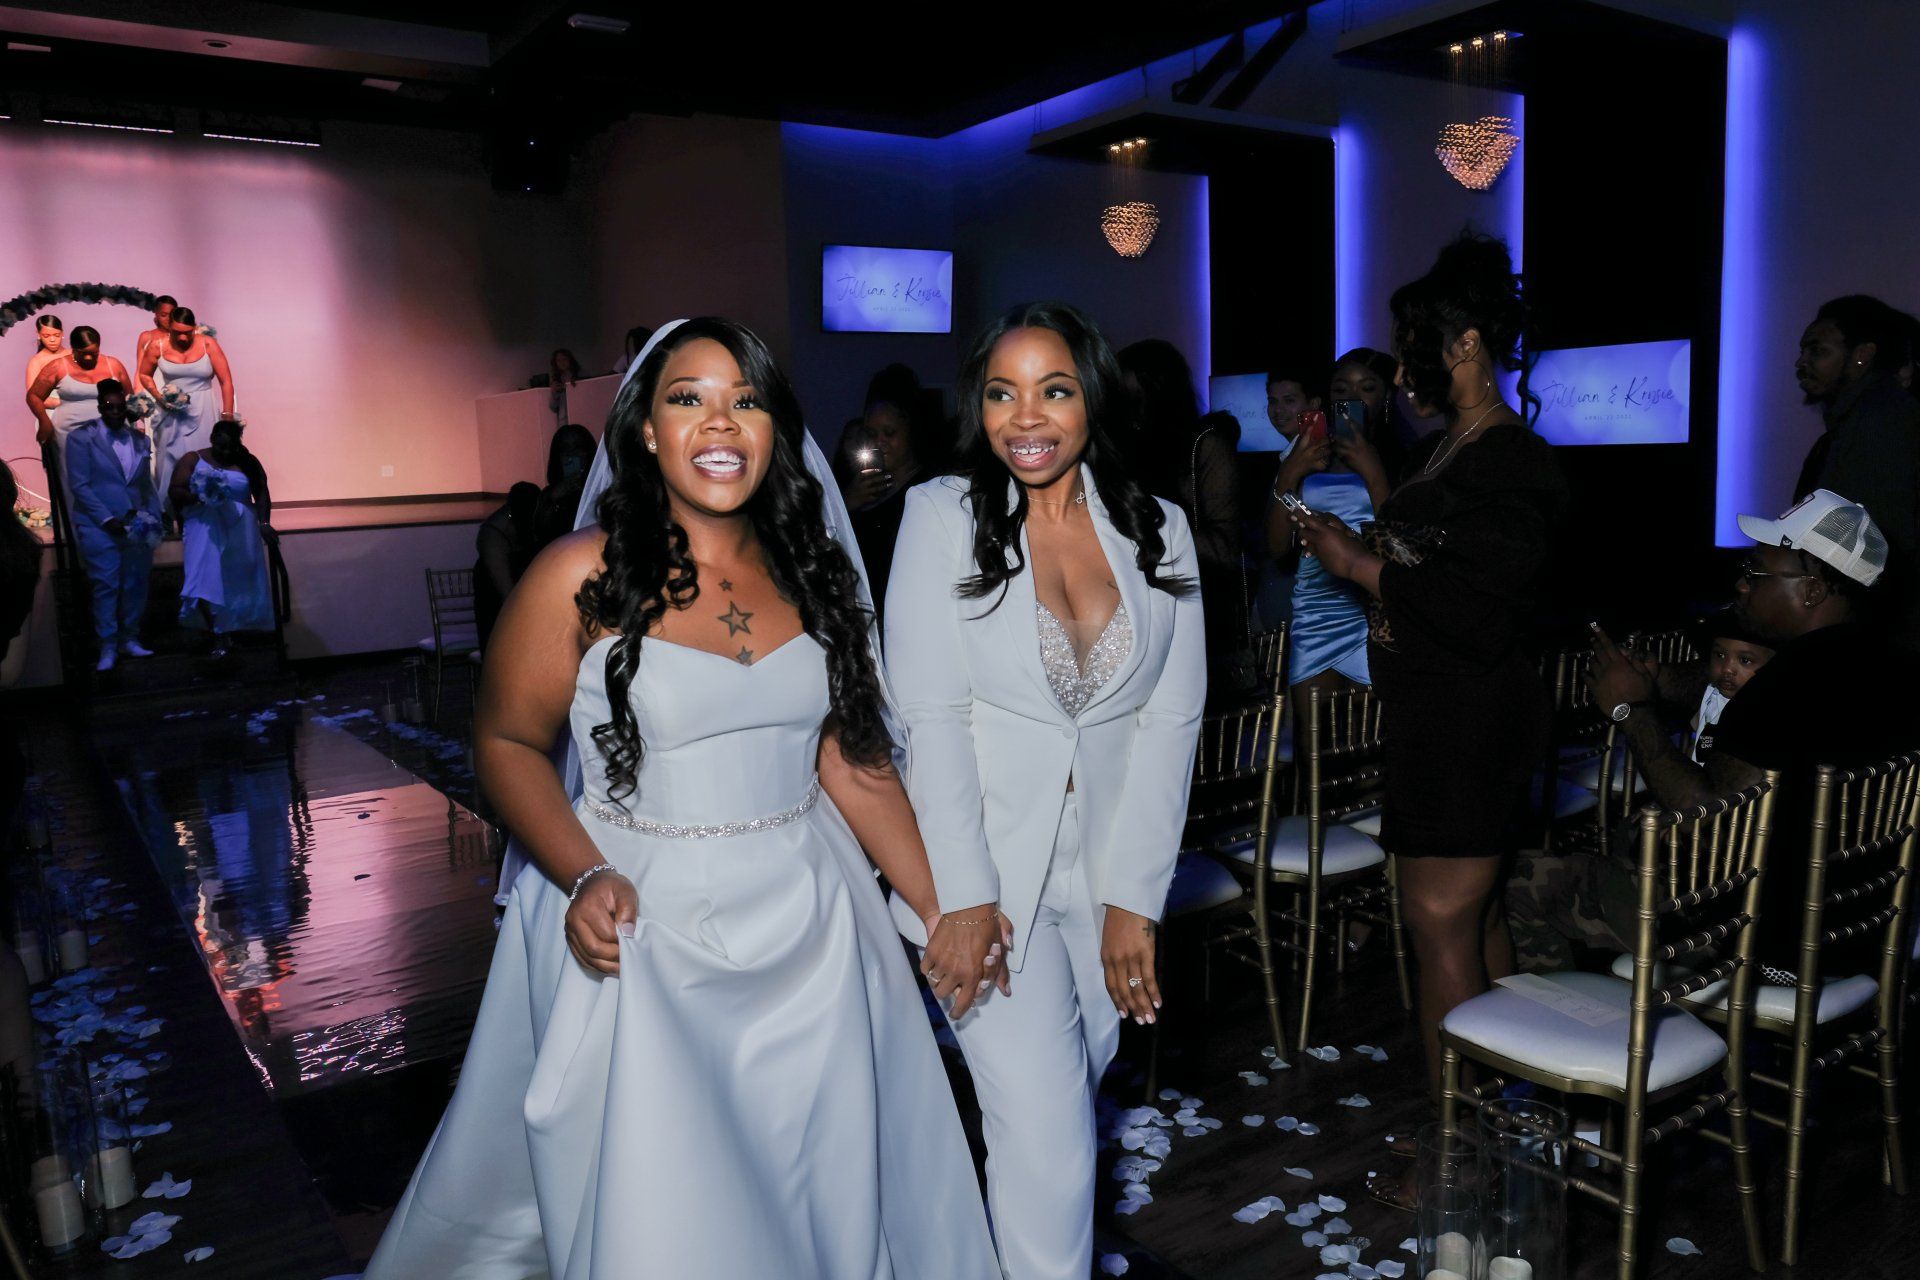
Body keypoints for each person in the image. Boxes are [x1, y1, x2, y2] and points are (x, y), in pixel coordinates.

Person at [365, 318, 996, 1279]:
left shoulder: (814, 573)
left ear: (776, 429)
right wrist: (583, 876)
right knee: (675, 1208)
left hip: (812, 924)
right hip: (643, 924)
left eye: (745, 400)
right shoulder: (576, 575)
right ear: (648, 432)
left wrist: (938, 905)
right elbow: (504, 745)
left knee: (815, 1181)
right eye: (687, 398)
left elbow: (848, 760)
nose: (720, 422)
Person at [885, 301, 1206, 1280]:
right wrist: (966, 899)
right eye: (1001, 391)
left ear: (1092, 397)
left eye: (1053, 388)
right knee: (1052, 1138)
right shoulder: (941, 515)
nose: (1026, 415)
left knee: (1059, 1118)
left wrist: (1131, 903)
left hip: (1105, 887)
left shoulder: (1163, 529)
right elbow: (927, 719)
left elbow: (1170, 724)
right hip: (985, 886)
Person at [1290, 235, 1567, 1206]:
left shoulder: (1514, 459)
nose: (1401, 373)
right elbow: (1437, 564)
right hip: (1441, 715)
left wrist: (1359, 568)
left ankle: (1460, 1155)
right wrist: (1363, 537)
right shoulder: (1459, 447)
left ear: (1469, 344)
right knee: (1475, 920)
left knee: (1440, 925)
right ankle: (1503, 1125)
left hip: (1468, 721)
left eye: (1414, 351)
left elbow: (1479, 602)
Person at [1586, 489, 1915, 980]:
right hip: (1859, 933)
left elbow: (1708, 825)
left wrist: (1629, 709)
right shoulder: (1891, 669)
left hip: (1760, 943)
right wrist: (1654, 683)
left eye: (1756, 573)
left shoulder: (1781, 689)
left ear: (1811, 591)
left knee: (1530, 883)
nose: (1741, 586)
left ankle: (1605, 1045)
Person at [1505, 610, 1775, 973]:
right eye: (1718, 655)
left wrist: (1629, 709)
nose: (1727, 669)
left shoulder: (1763, 717)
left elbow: (1707, 812)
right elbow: (1697, 682)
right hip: (1698, 879)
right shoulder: (1730, 693)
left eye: (1744, 661)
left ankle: (1557, 1013)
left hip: (1708, 912)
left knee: (1518, 882)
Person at [1266, 348, 1403, 709]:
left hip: (1373, 610)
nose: (1352, 400)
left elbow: (1402, 545)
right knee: (1312, 750)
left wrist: (1373, 471)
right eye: (1341, 391)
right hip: (1315, 609)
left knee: (1368, 748)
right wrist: (1290, 473)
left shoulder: (1406, 458)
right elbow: (1277, 548)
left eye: (1367, 389)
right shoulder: (1310, 455)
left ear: (1386, 397)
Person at [1791, 294, 1920, 649]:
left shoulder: (1880, 420)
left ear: (1863, 354)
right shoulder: (1862, 419)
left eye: (1817, 351)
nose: (1801, 362)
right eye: (1804, 350)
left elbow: (1877, 542)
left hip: (1873, 632)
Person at [1119, 339, 1247, 690]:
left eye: (1137, 398)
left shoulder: (1203, 444)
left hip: (1193, 609)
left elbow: (1224, 549)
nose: (1130, 412)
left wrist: (1148, 532)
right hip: (1133, 612)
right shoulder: (1117, 447)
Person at [65, 380, 161, 671]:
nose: (116, 412)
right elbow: (80, 485)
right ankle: (107, 645)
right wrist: (107, 519)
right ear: (99, 407)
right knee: (106, 584)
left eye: (120, 407)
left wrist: (154, 516)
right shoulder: (82, 438)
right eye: (109, 407)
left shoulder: (140, 440)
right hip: (99, 524)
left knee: (136, 582)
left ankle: (129, 638)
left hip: (137, 524)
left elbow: (145, 485)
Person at [170, 417, 274, 656]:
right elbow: (175, 490)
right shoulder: (193, 459)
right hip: (204, 524)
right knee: (206, 575)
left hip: (240, 526)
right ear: (212, 440)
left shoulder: (247, 461)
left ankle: (234, 627)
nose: (225, 451)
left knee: (236, 577)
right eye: (220, 445)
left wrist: (265, 522)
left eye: (230, 446)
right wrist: (201, 496)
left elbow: (261, 491)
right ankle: (217, 630)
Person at [842, 363, 934, 623]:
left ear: (912, 430)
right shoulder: (864, 486)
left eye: (890, 433)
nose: (879, 442)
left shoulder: (927, 491)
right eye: (872, 433)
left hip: (904, 620)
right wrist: (846, 502)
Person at [138, 307, 235, 514]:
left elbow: (225, 380)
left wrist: (227, 416)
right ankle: (169, 513)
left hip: (203, 406)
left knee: (206, 455)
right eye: (177, 332)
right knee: (169, 458)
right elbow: (144, 374)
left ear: (194, 329)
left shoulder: (208, 344)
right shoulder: (158, 346)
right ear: (169, 328)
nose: (182, 337)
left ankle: (209, 506)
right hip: (173, 410)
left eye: (187, 332)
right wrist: (158, 396)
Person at [26, 325, 134, 485]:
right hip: (70, 432)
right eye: (84, 354)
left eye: (94, 353)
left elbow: (129, 394)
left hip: (111, 431)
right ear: (74, 349)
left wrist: (133, 416)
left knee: (112, 480)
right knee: (76, 481)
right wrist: (44, 420)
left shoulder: (113, 364)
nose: (89, 358)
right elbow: (33, 395)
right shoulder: (58, 366)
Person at [475, 481, 541, 651]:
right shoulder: (493, 535)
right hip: (497, 603)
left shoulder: (527, 521)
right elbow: (504, 588)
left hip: (518, 600)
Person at [530, 422, 597, 554]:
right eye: (564, 448)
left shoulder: (600, 487)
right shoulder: (550, 494)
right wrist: (552, 499)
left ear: (588, 451)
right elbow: (539, 534)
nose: (571, 453)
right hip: (558, 558)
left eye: (577, 447)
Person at [23, 316, 67, 410]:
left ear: (62, 333)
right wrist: (66, 404)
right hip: (53, 415)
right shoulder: (36, 362)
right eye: (46, 336)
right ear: (39, 335)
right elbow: (33, 397)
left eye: (56, 335)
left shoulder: (73, 354)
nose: (52, 340)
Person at [133, 294, 177, 370]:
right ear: (156, 314)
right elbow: (139, 370)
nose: (168, 319)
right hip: (150, 381)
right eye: (164, 315)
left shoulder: (183, 336)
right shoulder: (146, 337)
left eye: (172, 314)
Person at [546, 348, 581, 426]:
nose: (562, 363)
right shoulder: (557, 379)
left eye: (564, 359)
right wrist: (554, 392)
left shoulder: (579, 375)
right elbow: (553, 407)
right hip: (564, 420)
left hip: (579, 416)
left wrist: (568, 389)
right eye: (558, 361)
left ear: (570, 360)